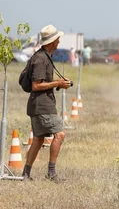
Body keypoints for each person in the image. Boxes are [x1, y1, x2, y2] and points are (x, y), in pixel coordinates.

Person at [23, 25, 72, 181]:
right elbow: (36, 85)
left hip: (39, 105)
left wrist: (59, 83)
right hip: (42, 105)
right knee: (60, 134)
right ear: (52, 41)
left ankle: (26, 174)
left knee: (38, 139)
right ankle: (51, 173)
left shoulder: (44, 56)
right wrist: (57, 83)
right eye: (57, 39)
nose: (59, 41)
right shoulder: (40, 59)